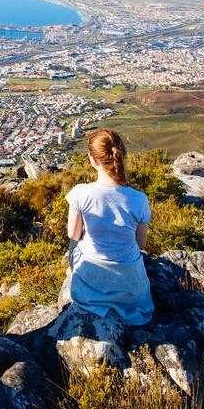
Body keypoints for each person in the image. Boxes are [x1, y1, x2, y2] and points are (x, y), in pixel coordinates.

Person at [65, 128, 153, 325]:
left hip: (90, 287)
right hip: (132, 288)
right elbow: (141, 244)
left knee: (72, 244)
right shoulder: (139, 199)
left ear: (93, 159)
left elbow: (73, 234)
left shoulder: (81, 194)